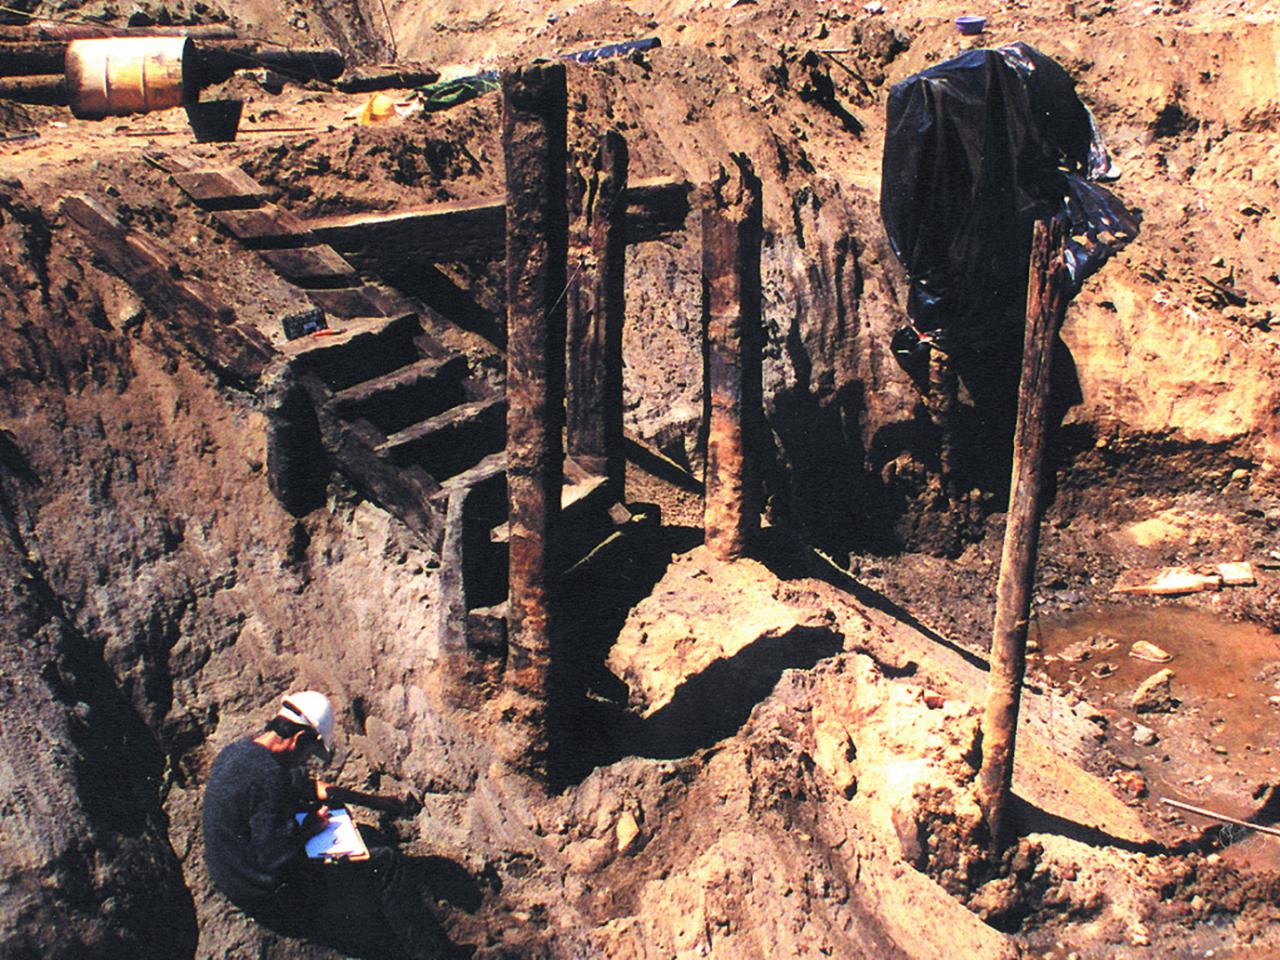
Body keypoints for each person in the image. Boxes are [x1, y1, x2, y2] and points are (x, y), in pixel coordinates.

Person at [202, 691, 447, 959]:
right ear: (298, 740)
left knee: (360, 839)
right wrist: (310, 828)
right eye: (310, 752)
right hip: (262, 892)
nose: (308, 761)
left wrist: (378, 803)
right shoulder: (270, 777)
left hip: (230, 870)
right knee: (386, 862)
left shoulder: (239, 751)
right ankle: (430, 954)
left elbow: (314, 789)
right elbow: (275, 857)